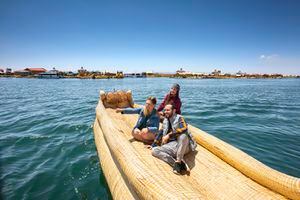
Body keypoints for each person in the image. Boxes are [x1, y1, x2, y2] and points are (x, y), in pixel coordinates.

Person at [151, 104, 197, 175]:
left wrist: (169, 135)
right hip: (172, 145)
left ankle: (178, 161)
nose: (166, 112)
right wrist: (153, 144)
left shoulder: (179, 118)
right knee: (155, 151)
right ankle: (178, 164)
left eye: (168, 110)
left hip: (184, 145)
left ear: (174, 110)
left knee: (183, 136)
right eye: (165, 110)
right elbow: (161, 131)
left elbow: (184, 128)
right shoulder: (165, 120)